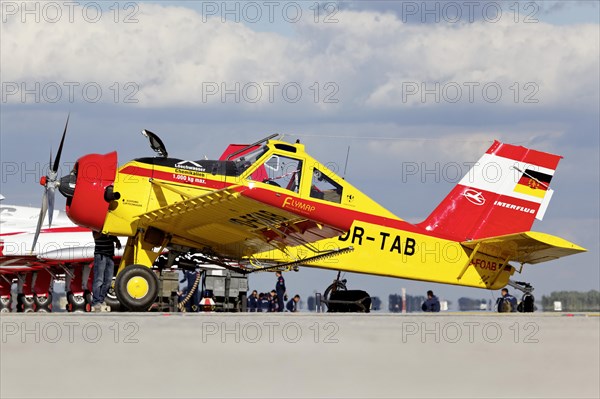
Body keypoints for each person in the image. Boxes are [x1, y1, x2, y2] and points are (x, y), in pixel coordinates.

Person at [91, 232, 121, 312]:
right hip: (100, 255)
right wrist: (105, 232)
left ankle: (101, 300)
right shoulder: (97, 226)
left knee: (108, 280)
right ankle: (96, 302)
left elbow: (113, 235)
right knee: (99, 279)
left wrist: (117, 241)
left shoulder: (109, 227)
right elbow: (95, 236)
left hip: (110, 255)